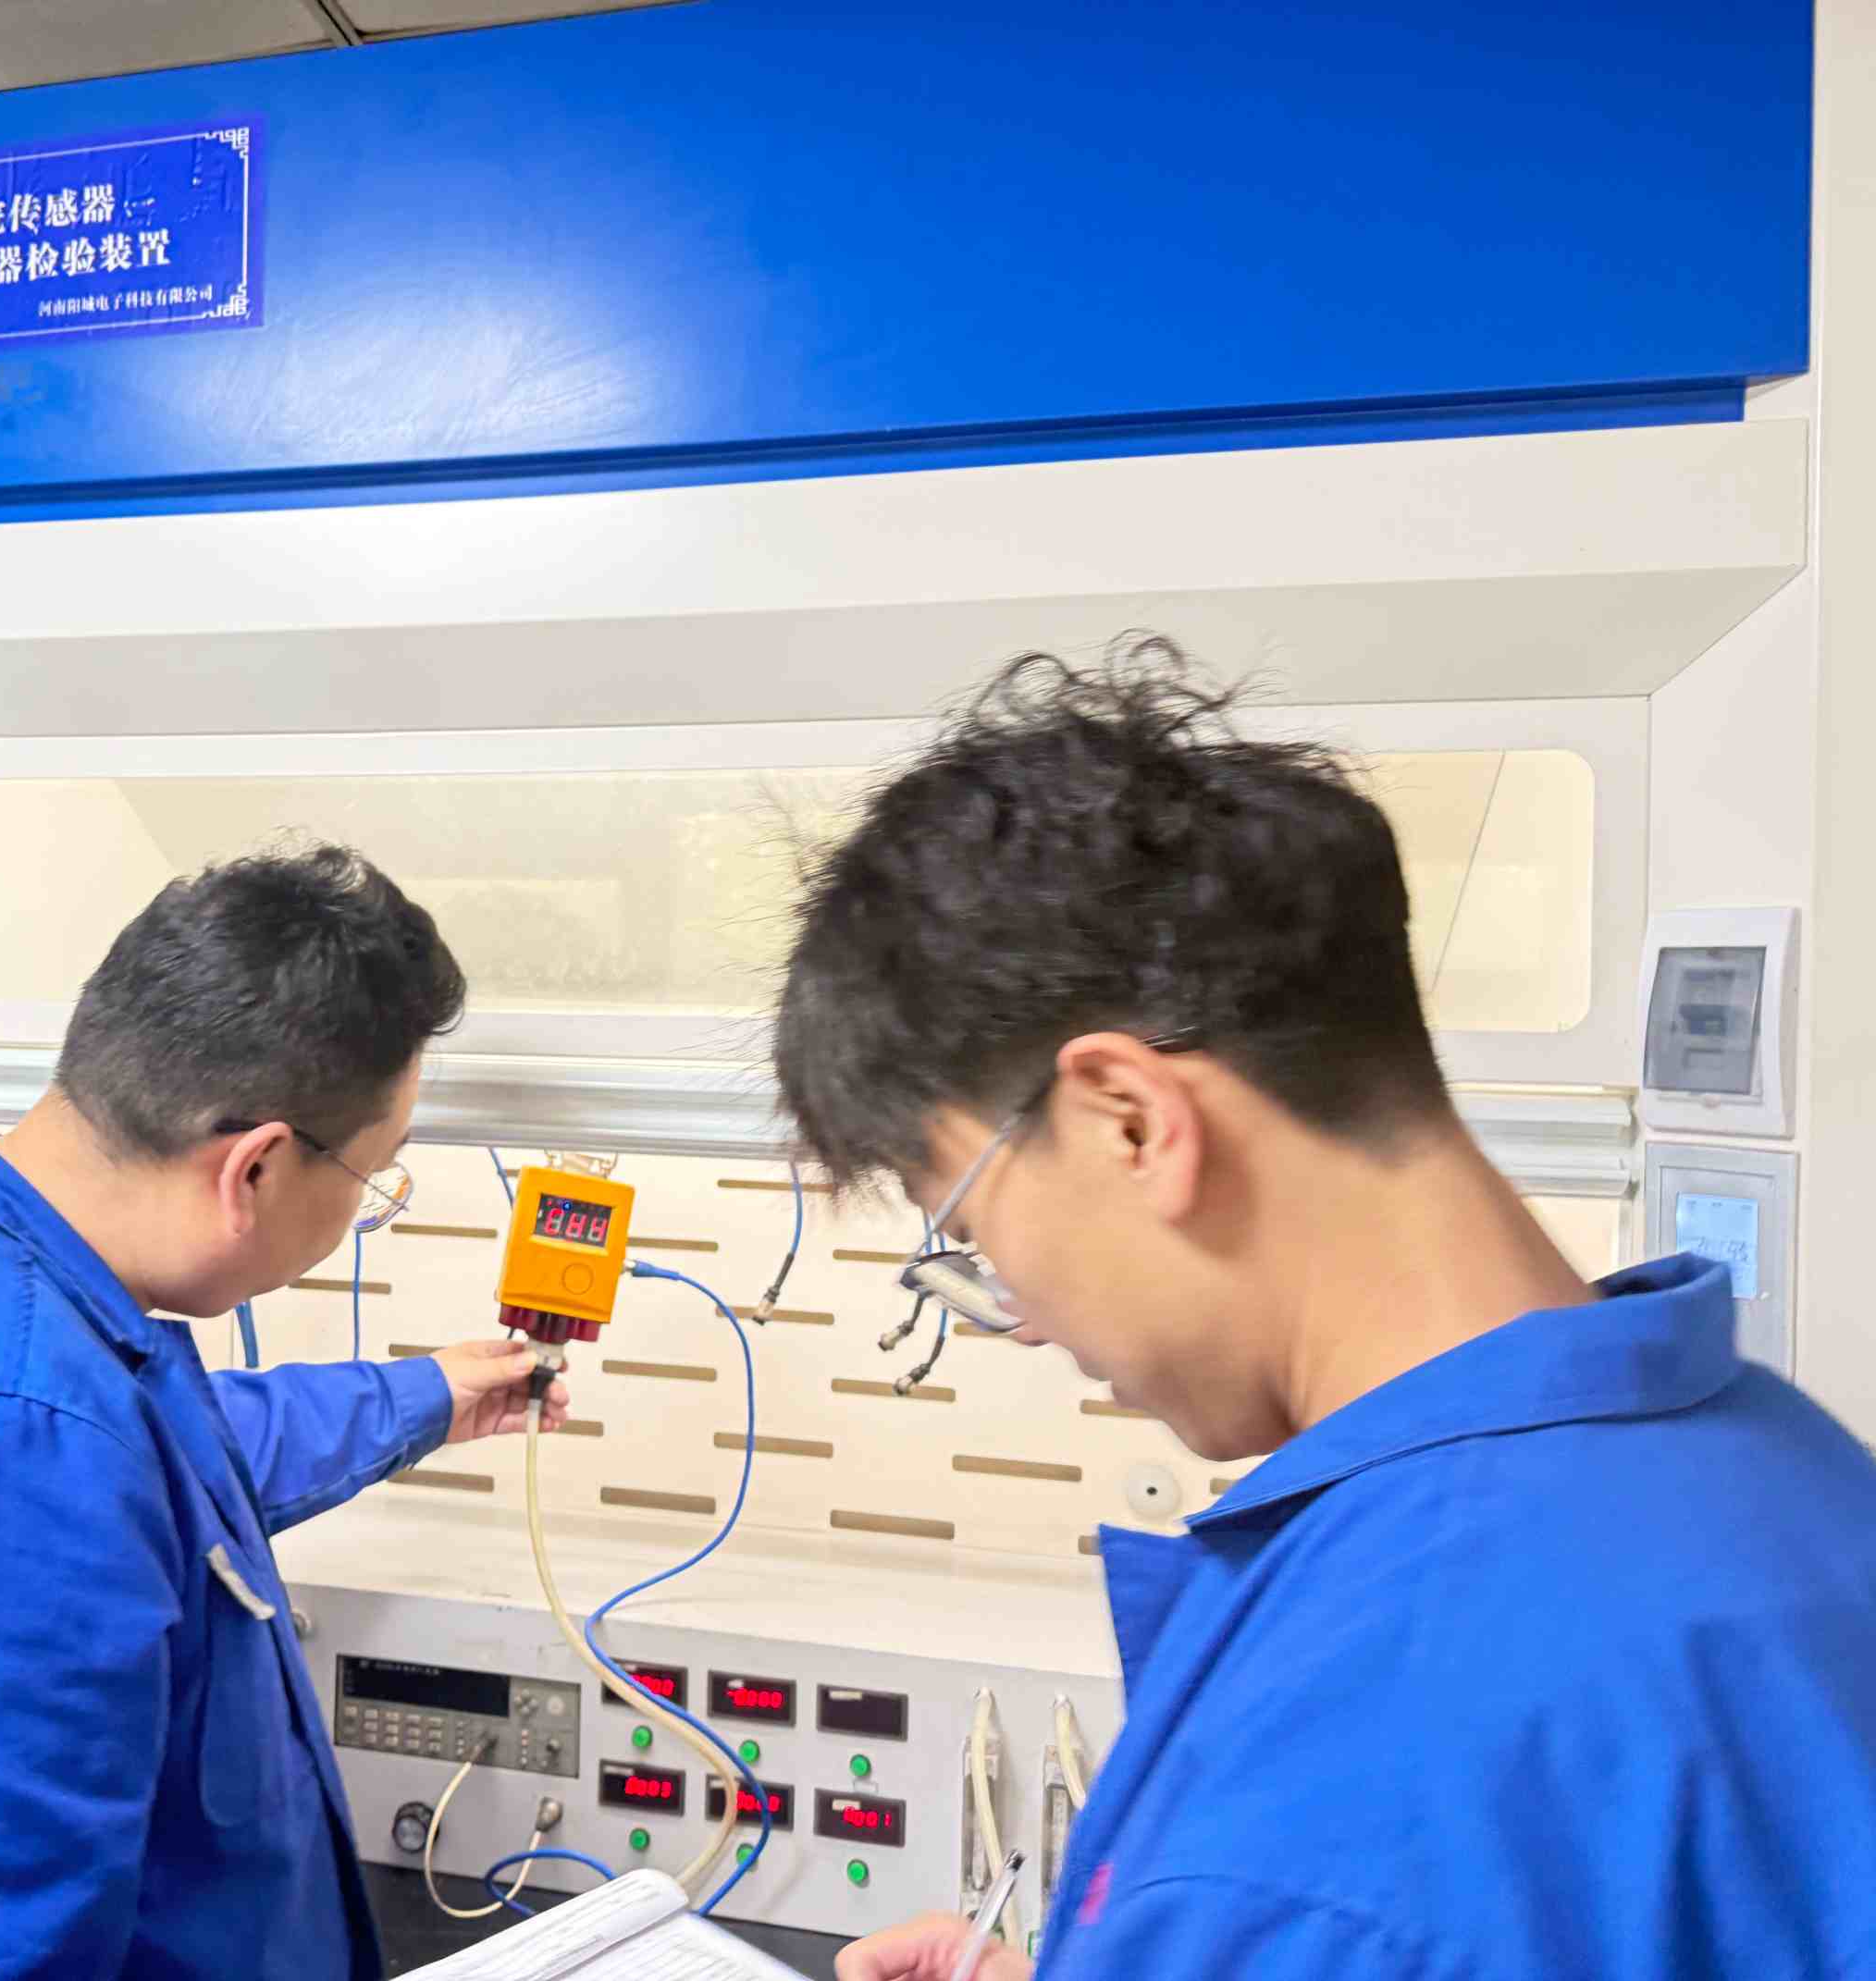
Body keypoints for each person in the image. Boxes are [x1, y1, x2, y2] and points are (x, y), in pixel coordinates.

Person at [779, 646, 1876, 1981]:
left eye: (971, 1230)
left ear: (1131, 1121)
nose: (1024, 1318)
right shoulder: (1773, 1463)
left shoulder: (1324, 1815)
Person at [0, 844, 564, 1977]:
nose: (358, 1215)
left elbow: (170, 1458)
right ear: (256, 1170)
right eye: (375, 1180)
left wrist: (421, 1397)